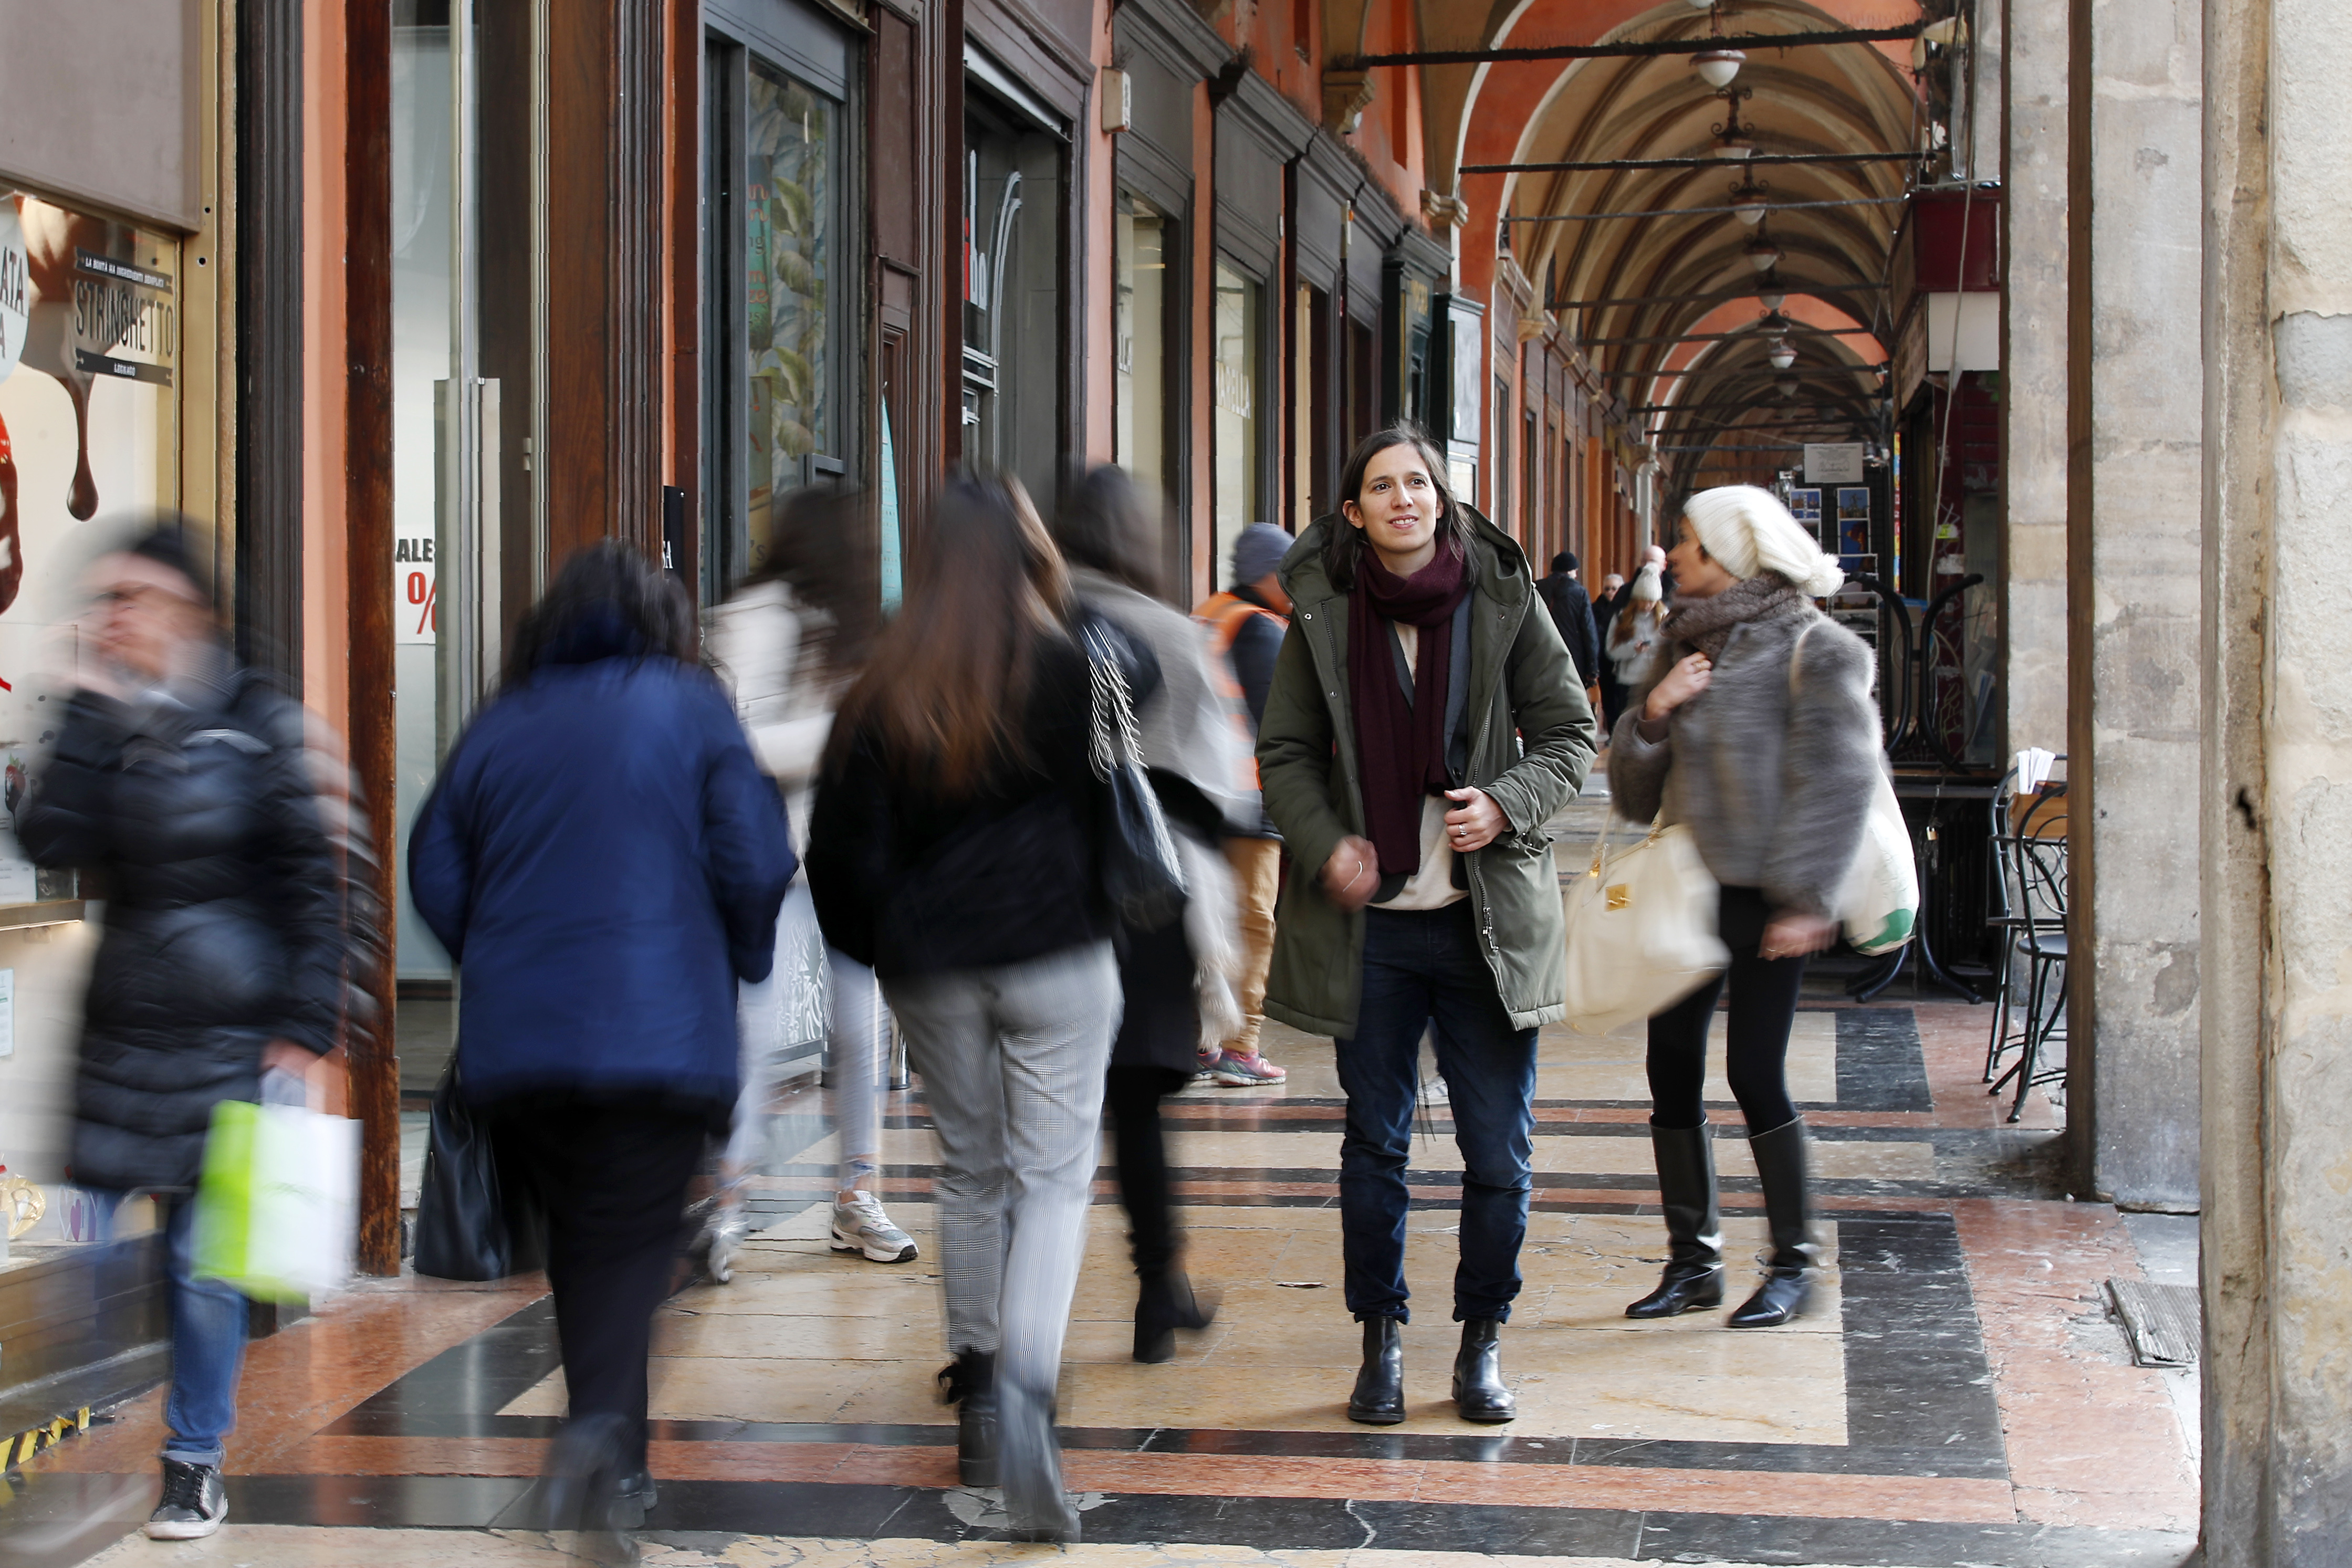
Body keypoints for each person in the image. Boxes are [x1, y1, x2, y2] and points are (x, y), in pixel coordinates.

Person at [409, 542, 797, 1544]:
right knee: (629, 1248)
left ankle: (616, 1472)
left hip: (522, 1047)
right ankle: (592, 1438)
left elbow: (434, 860)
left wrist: (493, 955)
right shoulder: (692, 707)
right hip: (660, 1037)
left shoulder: (503, 720)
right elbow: (756, 858)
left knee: (587, 1256)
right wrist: (742, 957)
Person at [806, 473, 1152, 1543]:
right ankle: (1032, 1395)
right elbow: (1142, 691)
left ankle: (983, 1383)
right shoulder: (1078, 658)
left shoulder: (880, 686)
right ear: (1025, 557)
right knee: (1050, 1183)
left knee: (968, 1172)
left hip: (932, 961)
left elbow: (834, 852)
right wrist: (1056, 582)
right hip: (1057, 949)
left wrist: (887, 945)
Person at [20, 522, 372, 1542]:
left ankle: (191, 1460)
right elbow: (52, 838)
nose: (117, 614)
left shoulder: (256, 720)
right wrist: (87, 705)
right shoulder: (108, 720)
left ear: (190, 605)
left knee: (201, 1262)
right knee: (90, 1255)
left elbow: (319, 878)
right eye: (108, 598)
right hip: (125, 1032)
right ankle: (98, 1433)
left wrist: (307, 1019)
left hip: (231, 1034)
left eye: (135, 594)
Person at [1256, 425, 1595, 1426]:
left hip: (1480, 923)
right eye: (1379, 486)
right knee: (1375, 1146)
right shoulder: (1318, 617)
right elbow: (1284, 753)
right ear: (1352, 512)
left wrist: (1504, 801)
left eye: (1417, 482)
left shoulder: (1501, 599)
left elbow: (1571, 733)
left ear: (1440, 502)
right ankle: (1381, 1340)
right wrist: (1325, 843)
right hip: (1373, 936)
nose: (1402, 498)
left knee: (1497, 1154)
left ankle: (1481, 1340)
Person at [1607, 485, 1878, 1330]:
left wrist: (1803, 899)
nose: (1673, 553)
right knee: (1670, 1066)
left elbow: (1835, 780)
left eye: (1687, 542)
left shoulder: (1815, 647)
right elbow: (1629, 795)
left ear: (1732, 554)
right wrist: (1652, 712)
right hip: (1687, 888)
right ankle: (1693, 1261)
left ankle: (1793, 1264)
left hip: (1768, 897)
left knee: (1754, 1072)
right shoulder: (1680, 647)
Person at [1054, 466, 1249, 1362]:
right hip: (1150, 896)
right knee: (1135, 1106)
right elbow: (1220, 791)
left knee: (1044, 1109)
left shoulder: (1037, 619)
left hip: (1051, 890)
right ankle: (1154, 1289)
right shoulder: (1173, 633)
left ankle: (1021, 1328)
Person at [704, 487, 915, 1279]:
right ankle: (729, 1202)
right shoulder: (753, 616)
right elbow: (739, 742)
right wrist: (838, 731)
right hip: (769, 853)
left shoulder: (864, 630)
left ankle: (856, 1197)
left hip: (849, 854)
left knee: (861, 1033)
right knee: (753, 1034)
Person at [1191, 521, 1295, 1088]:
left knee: (1209, 924)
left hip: (1200, 798)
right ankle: (1240, 1044)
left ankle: (1205, 1039)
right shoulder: (1261, 631)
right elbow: (1282, 729)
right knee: (1254, 925)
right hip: (1250, 803)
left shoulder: (1211, 612)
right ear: (1271, 573)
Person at [1535, 549, 1601, 694]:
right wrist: (1592, 668)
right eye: (1575, 571)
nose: (1576, 575)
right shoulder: (1580, 592)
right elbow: (1589, 631)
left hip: (1539, 653)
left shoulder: (1536, 588)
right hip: (1572, 657)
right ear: (1570, 571)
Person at [1605, 561, 1670, 697]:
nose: (1647, 605)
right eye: (1643, 600)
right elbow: (1611, 650)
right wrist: (1633, 649)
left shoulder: (1665, 618)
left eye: (1651, 601)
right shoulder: (1622, 618)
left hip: (1657, 681)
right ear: (1636, 599)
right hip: (1630, 683)